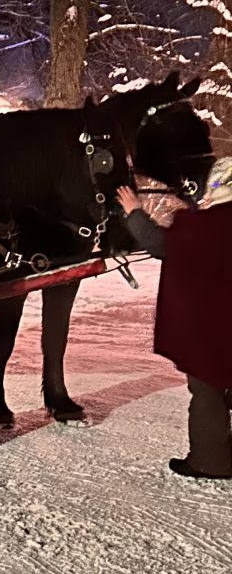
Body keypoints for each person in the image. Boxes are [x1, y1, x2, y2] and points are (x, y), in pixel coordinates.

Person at [117, 160, 232, 480]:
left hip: (214, 328)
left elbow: (159, 243)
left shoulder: (211, 224)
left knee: (208, 389)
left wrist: (133, 211)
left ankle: (210, 461)